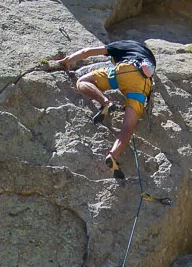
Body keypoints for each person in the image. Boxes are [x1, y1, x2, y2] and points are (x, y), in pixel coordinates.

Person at [52, 39, 157, 174]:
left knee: (83, 81)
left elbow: (87, 52)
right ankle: (113, 155)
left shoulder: (124, 45)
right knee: (128, 127)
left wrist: (67, 60)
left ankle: (106, 102)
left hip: (125, 70)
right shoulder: (149, 55)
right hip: (143, 83)